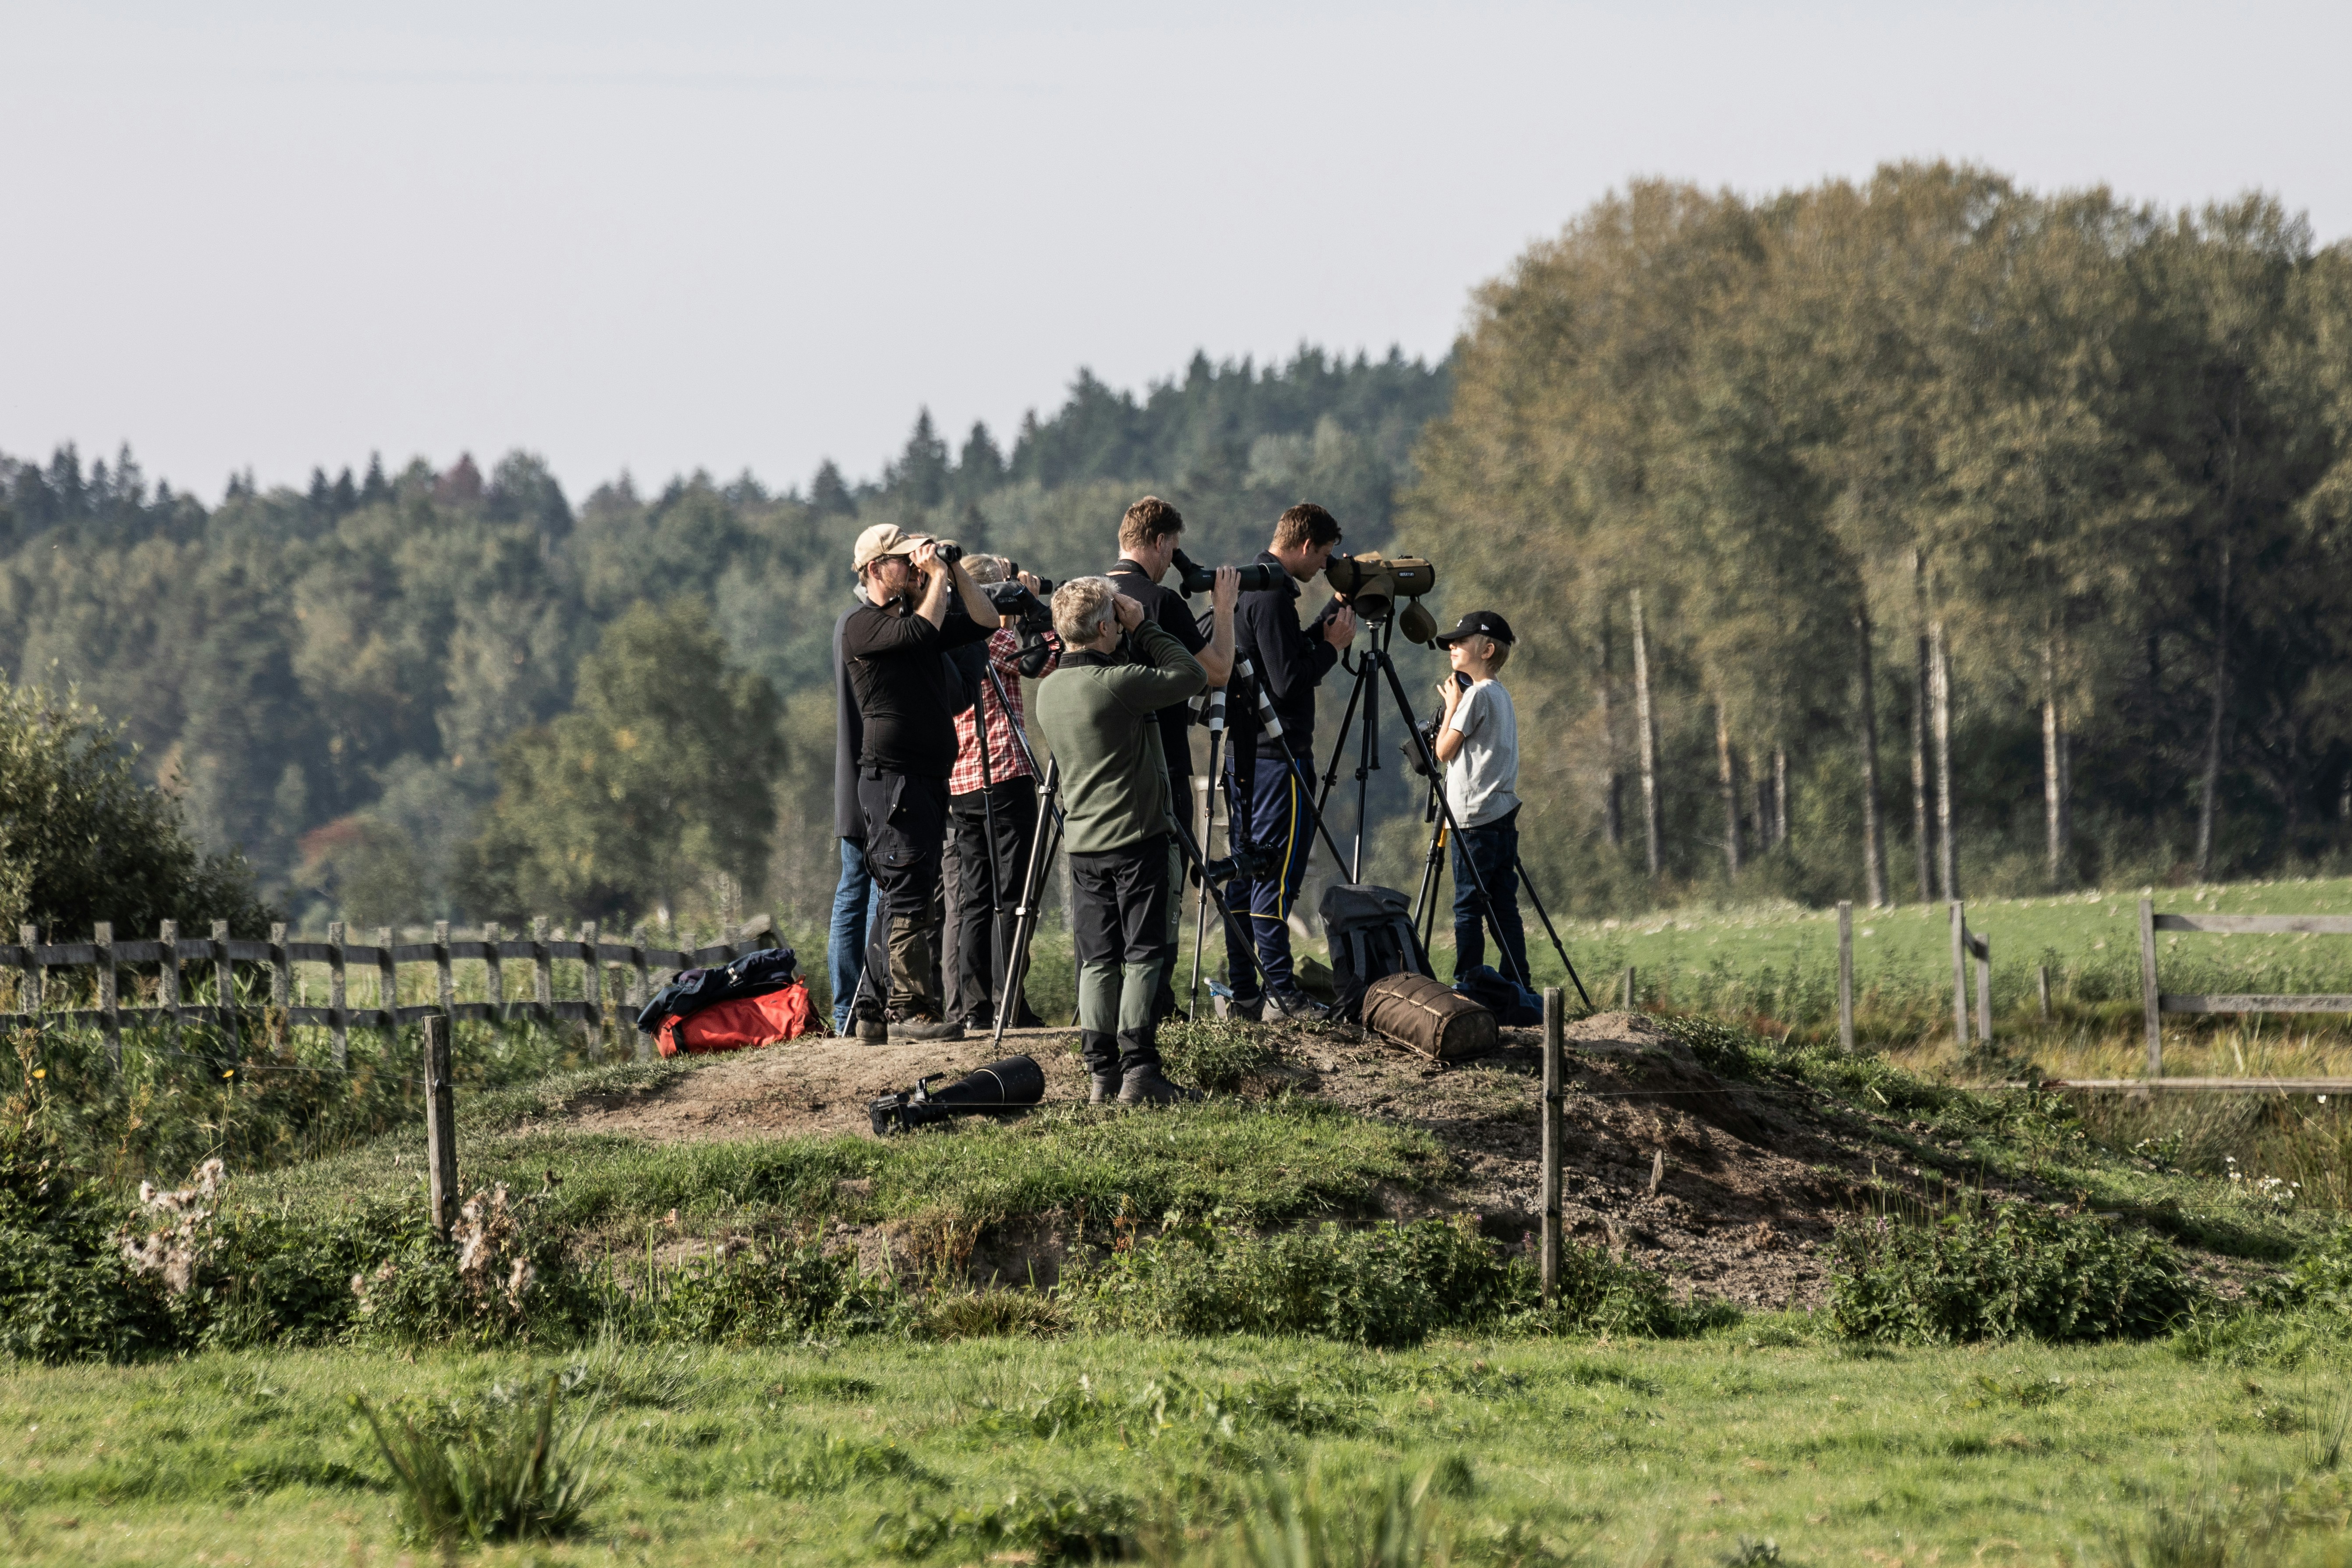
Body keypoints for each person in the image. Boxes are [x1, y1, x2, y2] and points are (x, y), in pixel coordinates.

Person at [1032, 572, 1226, 1103]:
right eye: (1114, 620)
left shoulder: (1048, 692)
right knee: (1143, 955)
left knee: (1097, 958)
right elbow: (1189, 673)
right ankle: (1141, 1070)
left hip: (1084, 843)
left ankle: (1102, 1075)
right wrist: (1147, 626)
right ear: (1101, 626)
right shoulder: (1117, 685)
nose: (1120, 625)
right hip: (1136, 838)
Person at [841, 523, 1002, 1041]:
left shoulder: (919, 614)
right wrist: (933, 577)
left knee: (899, 890)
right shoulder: (862, 626)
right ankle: (913, 1009)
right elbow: (924, 634)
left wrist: (952, 569)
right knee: (909, 891)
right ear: (873, 570)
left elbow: (986, 620)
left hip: (926, 777)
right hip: (895, 780)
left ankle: (870, 1008)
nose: (913, 566)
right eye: (902, 561)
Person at [1222, 502, 1356, 1021]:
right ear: (1304, 545)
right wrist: (1333, 649)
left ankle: (1245, 991)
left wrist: (1325, 624)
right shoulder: (1274, 593)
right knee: (1275, 874)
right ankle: (1282, 990)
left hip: (1245, 753)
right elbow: (1288, 681)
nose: (1324, 565)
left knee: (1243, 870)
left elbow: (1281, 656)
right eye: (1323, 555)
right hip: (1280, 755)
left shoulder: (1254, 587)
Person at [1105, 497, 1235, 1022]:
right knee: (1163, 888)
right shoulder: (1159, 602)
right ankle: (1158, 1006)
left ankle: (1112, 1007)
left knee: (1109, 897)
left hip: (1106, 766)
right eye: (1173, 550)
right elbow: (1219, 670)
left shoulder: (1092, 597)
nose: (1172, 560)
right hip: (1164, 763)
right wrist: (1223, 608)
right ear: (1159, 542)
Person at [946, 556, 1058, 1030]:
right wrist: (1032, 607)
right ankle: (1008, 999)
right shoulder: (996, 635)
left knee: (974, 898)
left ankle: (974, 1007)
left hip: (960, 781)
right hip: (1005, 774)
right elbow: (1048, 659)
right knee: (1013, 894)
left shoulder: (948, 637)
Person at [1432, 610, 1529, 988]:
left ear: (1487, 650)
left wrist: (1452, 706)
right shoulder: (1501, 694)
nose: (1452, 646)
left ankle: (1468, 982)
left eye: (1461, 641)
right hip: (1501, 813)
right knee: (1504, 906)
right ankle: (1519, 983)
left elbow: (1442, 751)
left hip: (1472, 820)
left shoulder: (1475, 697)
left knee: (1468, 908)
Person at [826, 585, 883, 1034]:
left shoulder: (846, 624)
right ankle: (865, 1003)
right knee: (874, 894)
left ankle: (846, 1008)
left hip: (850, 779)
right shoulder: (870, 628)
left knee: (851, 891)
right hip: (876, 777)